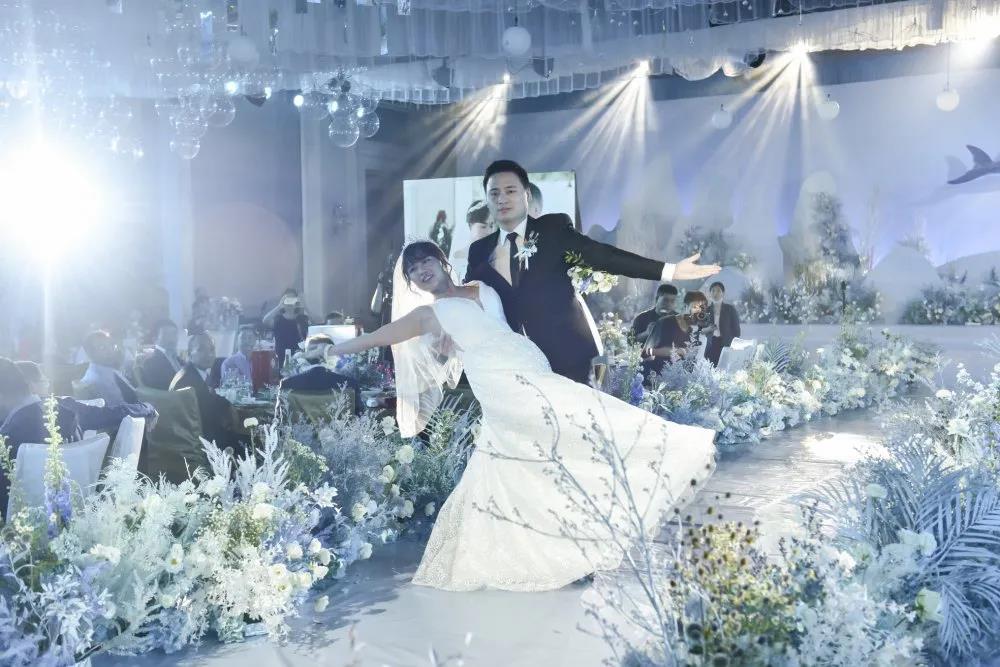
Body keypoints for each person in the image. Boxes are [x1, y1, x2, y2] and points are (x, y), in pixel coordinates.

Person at [325, 241, 715, 592]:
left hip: (530, 363)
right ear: (410, 282)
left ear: (443, 262)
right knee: (569, 429)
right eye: (412, 269)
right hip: (498, 382)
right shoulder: (428, 315)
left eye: (425, 260)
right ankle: (579, 533)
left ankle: (568, 544)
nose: (420, 270)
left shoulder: (483, 287)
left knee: (538, 456)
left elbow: (508, 318)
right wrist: (331, 350)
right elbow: (380, 336)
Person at [465, 159, 720, 384]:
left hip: (572, 358)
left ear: (527, 194)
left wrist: (670, 271)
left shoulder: (552, 229)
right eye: (494, 193)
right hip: (518, 366)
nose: (502, 198)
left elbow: (606, 257)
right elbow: (469, 299)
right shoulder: (479, 250)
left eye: (510, 191)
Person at [0, 358, 156, 517]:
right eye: (44, 381)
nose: (48, 384)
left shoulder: (8, 435)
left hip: (19, 522)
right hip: (75, 512)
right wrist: (147, 408)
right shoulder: (67, 409)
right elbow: (113, 413)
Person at [169, 333, 239, 450]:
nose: (209, 354)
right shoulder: (188, 380)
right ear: (189, 354)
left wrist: (226, 404)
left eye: (212, 349)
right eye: (201, 349)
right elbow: (209, 413)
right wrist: (228, 407)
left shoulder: (191, 373)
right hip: (200, 443)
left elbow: (209, 399)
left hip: (194, 437)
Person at [642, 291, 714, 375]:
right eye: (694, 307)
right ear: (685, 306)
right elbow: (646, 352)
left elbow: (696, 362)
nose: (698, 312)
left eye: (701, 308)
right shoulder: (665, 322)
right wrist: (675, 351)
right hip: (656, 374)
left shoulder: (697, 331)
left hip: (680, 377)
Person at [280, 334, 357, 394]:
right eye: (312, 349)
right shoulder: (300, 367)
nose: (316, 353)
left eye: (319, 350)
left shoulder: (340, 368)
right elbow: (286, 372)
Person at [78, 331, 139, 406]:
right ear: (90, 353)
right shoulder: (100, 380)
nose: (111, 351)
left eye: (112, 345)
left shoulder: (106, 369)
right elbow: (121, 408)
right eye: (102, 348)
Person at [263, 289, 311, 369]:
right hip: (281, 359)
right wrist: (279, 306)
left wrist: (305, 306)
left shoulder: (302, 319)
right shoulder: (278, 319)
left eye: (292, 299)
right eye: (287, 299)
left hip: (300, 360)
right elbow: (265, 320)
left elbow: (316, 321)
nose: (290, 302)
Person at [705, 281, 741, 367]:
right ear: (710, 293)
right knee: (711, 370)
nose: (715, 293)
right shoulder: (706, 310)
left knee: (724, 369)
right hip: (711, 345)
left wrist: (732, 344)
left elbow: (736, 331)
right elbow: (701, 329)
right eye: (713, 291)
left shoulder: (730, 309)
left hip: (726, 344)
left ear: (723, 293)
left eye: (718, 291)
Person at [141, 319, 183, 390]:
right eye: (166, 334)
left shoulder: (179, 360)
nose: (172, 339)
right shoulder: (150, 363)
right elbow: (157, 391)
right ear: (155, 339)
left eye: (174, 334)